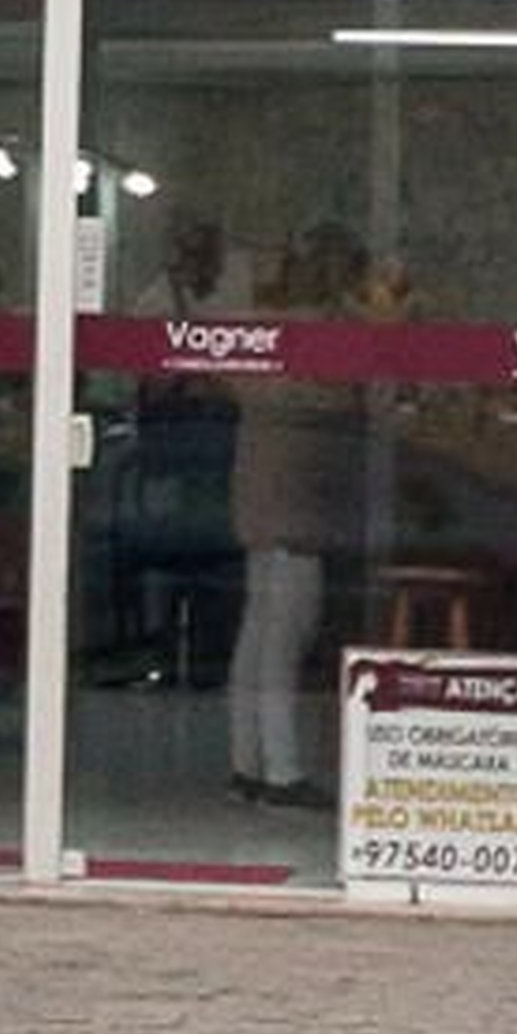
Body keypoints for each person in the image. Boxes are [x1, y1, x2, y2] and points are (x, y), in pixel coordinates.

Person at [225, 226, 363, 809]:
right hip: (291, 504)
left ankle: (248, 762)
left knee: (260, 634)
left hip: (265, 495)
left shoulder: (261, 330)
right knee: (285, 633)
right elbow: (331, 397)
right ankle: (281, 771)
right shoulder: (310, 334)